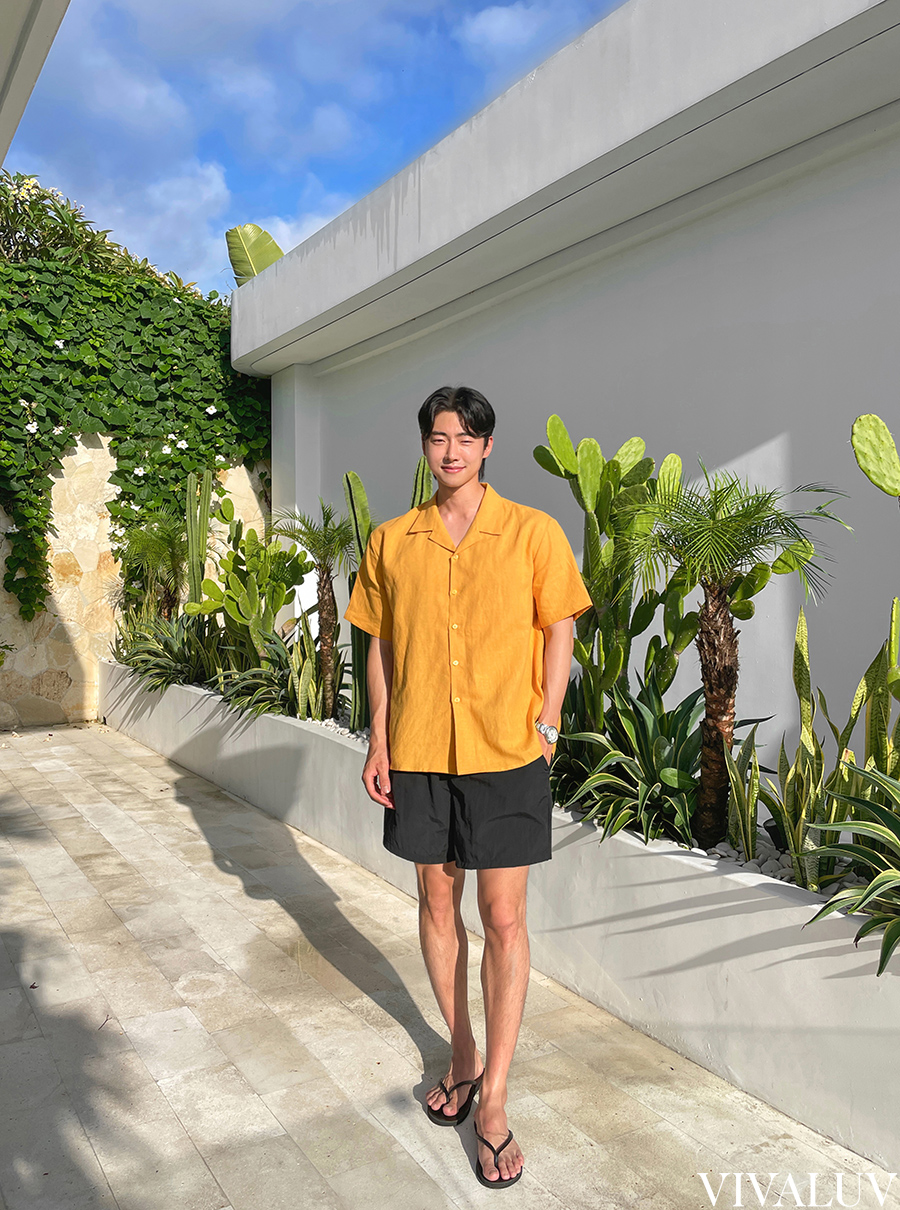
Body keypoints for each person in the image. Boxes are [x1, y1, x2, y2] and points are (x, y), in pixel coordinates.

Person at [344, 385, 590, 1189]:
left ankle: (495, 1102)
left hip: (507, 749)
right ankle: (462, 1054)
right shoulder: (391, 541)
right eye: (438, 437)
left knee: (504, 918)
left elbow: (560, 625)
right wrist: (379, 737)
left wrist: (548, 722)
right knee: (435, 904)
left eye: (465, 437)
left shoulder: (533, 531)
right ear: (425, 446)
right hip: (419, 749)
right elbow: (379, 645)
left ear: (488, 447)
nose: (451, 450)